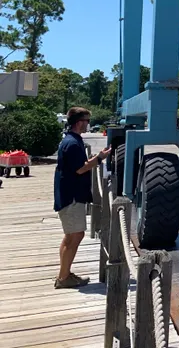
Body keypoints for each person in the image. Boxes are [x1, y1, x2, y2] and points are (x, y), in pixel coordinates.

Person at [54, 107, 111, 289]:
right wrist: (100, 158)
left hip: (68, 195)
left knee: (71, 236)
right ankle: (63, 279)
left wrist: (94, 159)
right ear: (79, 122)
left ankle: (64, 274)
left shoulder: (71, 141)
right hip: (71, 198)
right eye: (87, 121)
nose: (88, 124)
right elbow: (80, 168)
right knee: (75, 236)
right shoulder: (72, 143)